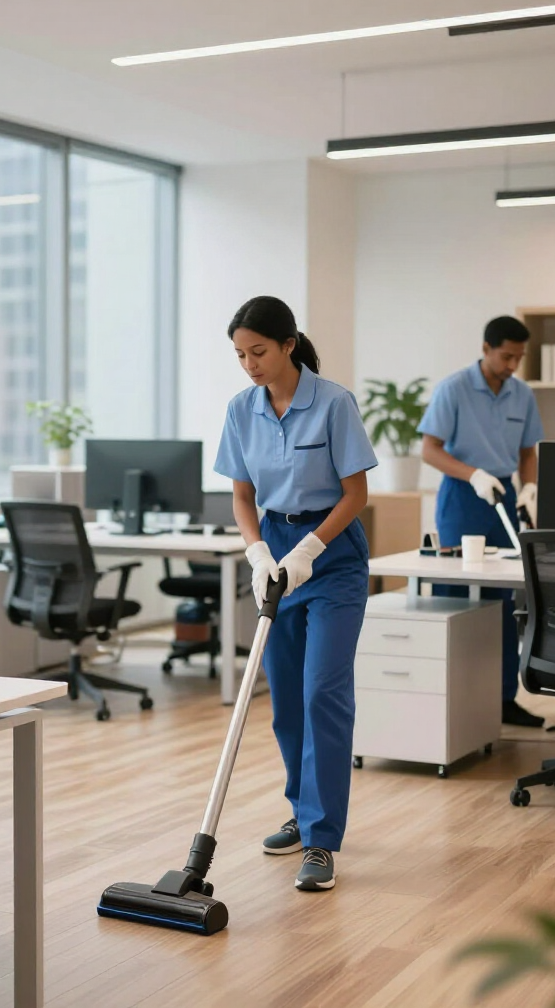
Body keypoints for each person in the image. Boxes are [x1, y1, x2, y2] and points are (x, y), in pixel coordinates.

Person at [214, 295, 377, 892]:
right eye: (239, 355)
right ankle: (303, 813)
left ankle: (324, 840)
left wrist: (310, 548)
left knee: (322, 693)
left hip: (330, 556)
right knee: (284, 698)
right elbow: (240, 497)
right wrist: (258, 552)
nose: (249, 364)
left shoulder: (333, 402)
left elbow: (355, 494)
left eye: (258, 351)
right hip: (275, 552)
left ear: (288, 345)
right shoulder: (240, 410)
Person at [419, 315, 544, 728]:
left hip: (503, 497)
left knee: (502, 600)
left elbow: (528, 451)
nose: (512, 365)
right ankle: (448, 697)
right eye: (506, 356)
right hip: (463, 494)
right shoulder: (453, 389)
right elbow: (430, 450)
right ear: (486, 348)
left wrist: (528, 488)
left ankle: (503, 698)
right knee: (453, 594)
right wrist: (472, 474)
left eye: (518, 358)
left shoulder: (522, 395)